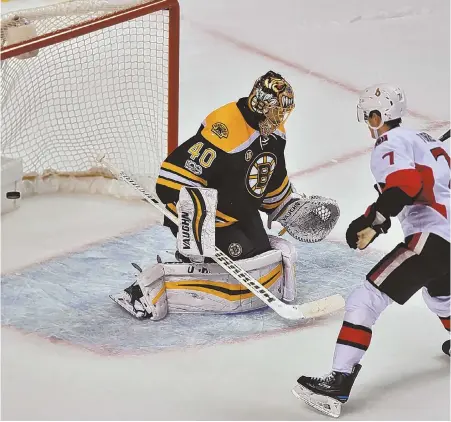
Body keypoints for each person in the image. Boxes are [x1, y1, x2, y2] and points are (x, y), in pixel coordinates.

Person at [292, 84, 450, 418]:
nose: (368, 123)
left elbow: (405, 186)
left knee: (365, 300)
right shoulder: (428, 142)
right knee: (440, 296)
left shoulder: (388, 144)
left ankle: (338, 381)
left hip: (431, 238)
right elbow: (419, 189)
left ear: (378, 116)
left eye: (369, 116)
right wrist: (374, 220)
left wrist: (373, 221)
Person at [110, 71, 304, 320]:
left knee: (261, 256)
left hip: (241, 213)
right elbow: (172, 181)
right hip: (207, 220)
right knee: (239, 256)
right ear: (261, 105)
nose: (280, 118)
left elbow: (273, 177)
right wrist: (193, 222)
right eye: (276, 110)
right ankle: (146, 287)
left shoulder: (275, 133)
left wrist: (287, 205)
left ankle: (197, 258)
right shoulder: (225, 129)